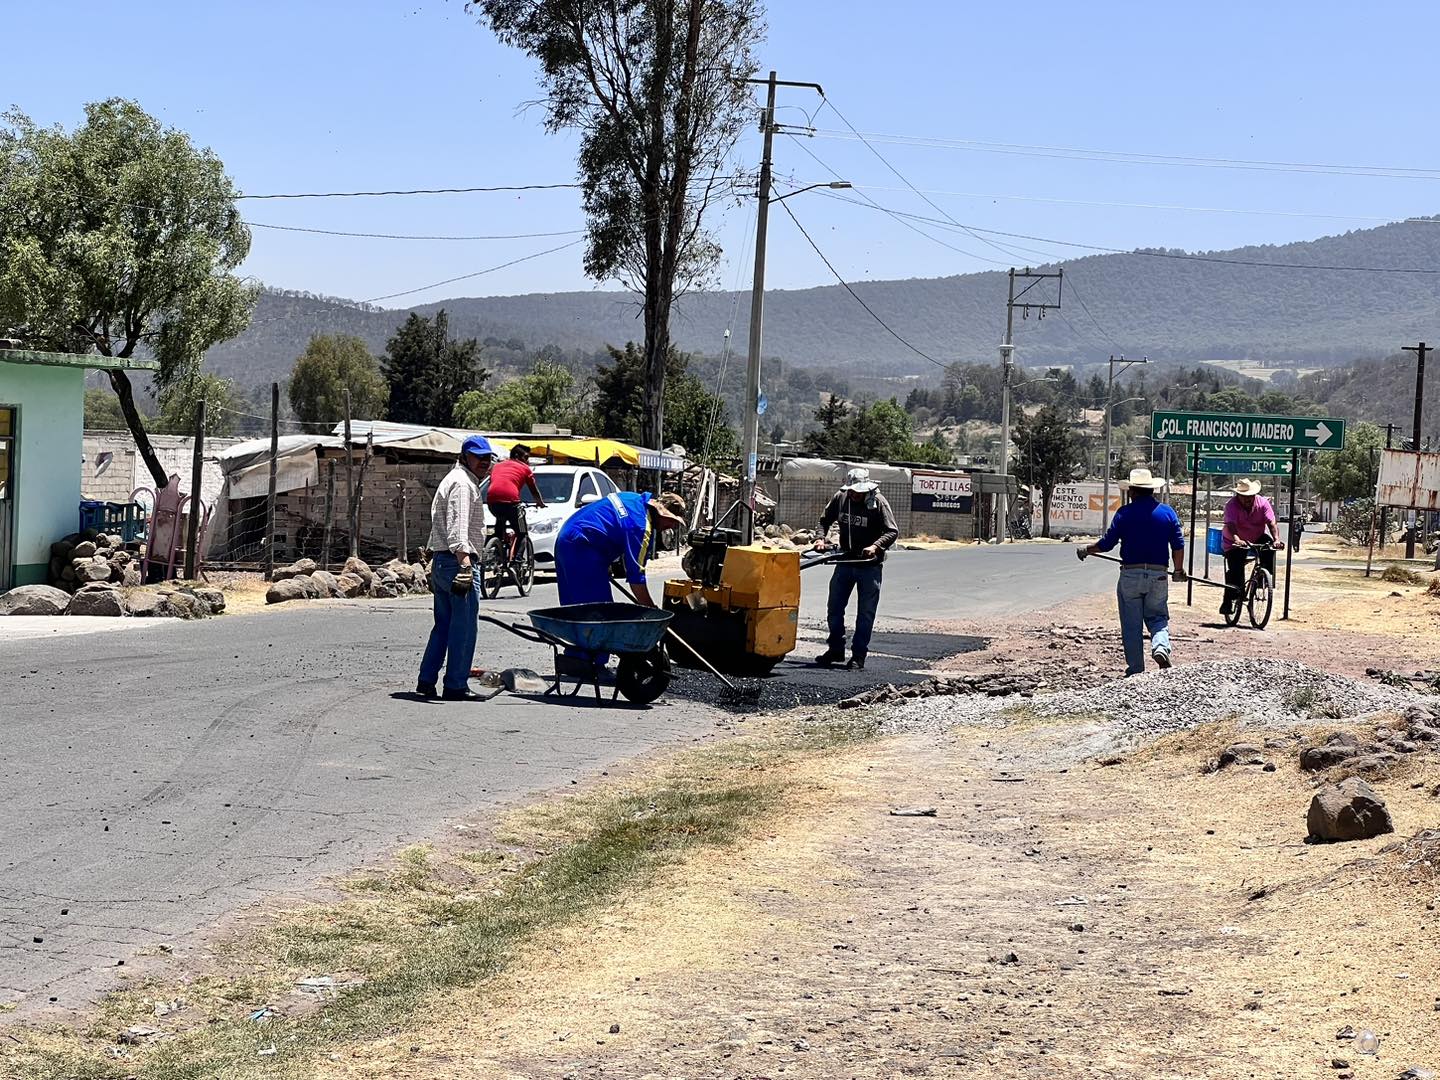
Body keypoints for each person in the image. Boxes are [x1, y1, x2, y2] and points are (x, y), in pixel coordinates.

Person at [553, 489, 688, 670]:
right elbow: (636, 577)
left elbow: (608, 523)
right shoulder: (640, 526)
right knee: (599, 612)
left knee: (577, 609)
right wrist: (651, 612)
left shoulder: (633, 499)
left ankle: (575, 658)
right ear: (661, 513)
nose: (671, 527)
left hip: (566, 539)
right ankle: (592, 664)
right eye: (672, 521)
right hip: (583, 547)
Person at [1078, 467, 1186, 676]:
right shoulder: (1167, 513)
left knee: (1131, 624)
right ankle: (1161, 647)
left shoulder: (1124, 513)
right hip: (1159, 575)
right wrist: (1179, 569)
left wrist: (1087, 549)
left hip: (1130, 574)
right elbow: (1178, 545)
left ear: (1133, 491)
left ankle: (1136, 670)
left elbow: (1107, 544)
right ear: (1152, 491)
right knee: (1158, 616)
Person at [418, 435, 494, 700]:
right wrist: (464, 564)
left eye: (487, 457)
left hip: (442, 562)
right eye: (478, 456)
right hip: (457, 563)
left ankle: (427, 679)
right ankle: (455, 685)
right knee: (464, 627)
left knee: (444, 625)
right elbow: (458, 528)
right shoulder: (463, 485)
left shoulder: (455, 479)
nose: (484, 461)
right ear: (465, 457)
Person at [811, 467, 899, 671]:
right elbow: (824, 520)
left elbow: (892, 531)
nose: (853, 494)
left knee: (865, 613)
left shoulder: (878, 503)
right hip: (845, 561)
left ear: (866, 489)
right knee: (834, 608)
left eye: (857, 491)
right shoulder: (841, 498)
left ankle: (858, 655)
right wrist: (820, 538)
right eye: (851, 490)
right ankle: (835, 649)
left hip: (869, 566)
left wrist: (875, 546)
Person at [1220, 478, 1283, 617]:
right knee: (1235, 567)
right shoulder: (1232, 505)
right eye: (1244, 497)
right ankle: (1229, 600)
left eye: (1250, 497)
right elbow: (1231, 525)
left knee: (1268, 547)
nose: (1247, 500)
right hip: (1234, 539)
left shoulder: (1263, 503)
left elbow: (1271, 523)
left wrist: (1276, 540)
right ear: (1238, 496)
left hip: (1256, 537)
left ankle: (1262, 578)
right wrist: (1237, 539)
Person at [486, 443, 546, 552]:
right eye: (526, 457)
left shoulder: (497, 466)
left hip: (492, 502)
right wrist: (540, 503)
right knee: (522, 532)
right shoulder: (525, 468)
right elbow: (534, 490)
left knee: (500, 520)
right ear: (517, 456)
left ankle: (497, 550)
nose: (527, 461)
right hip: (511, 503)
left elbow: (493, 482)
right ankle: (517, 561)